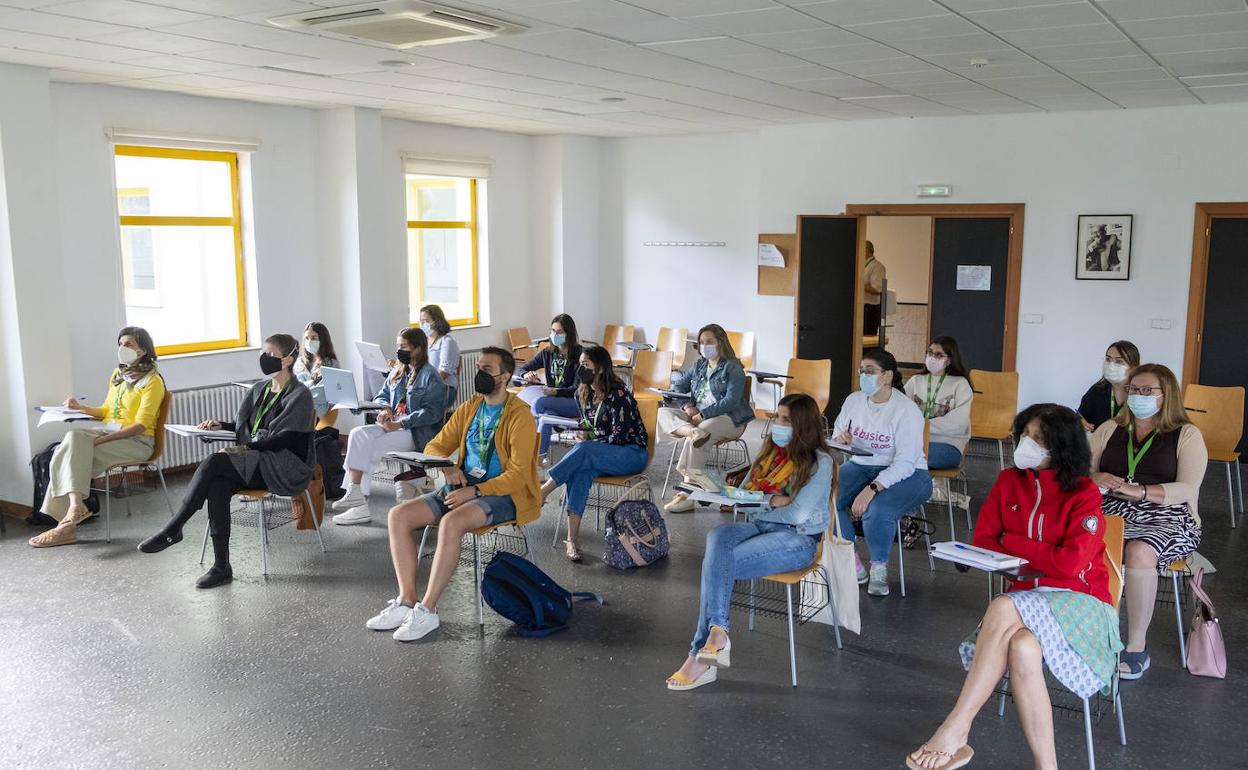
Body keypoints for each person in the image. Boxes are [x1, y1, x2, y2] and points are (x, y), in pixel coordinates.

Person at [908, 404, 1121, 770]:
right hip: (1030, 599)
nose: (1027, 444)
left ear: (1061, 447)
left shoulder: (1084, 493)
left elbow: (1070, 565)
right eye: (1024, 435)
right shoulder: (1009, 481)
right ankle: (1047, 766)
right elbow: (986, 541)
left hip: (1083, 603)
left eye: (1038, 439)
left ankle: (956, 728)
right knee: (1022, 646)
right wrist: (1035, 550)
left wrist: (1014, 541)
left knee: (1004, 605)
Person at [364, 347, 539, 642]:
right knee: (398, 516)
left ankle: (428, 610)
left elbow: (519, 474)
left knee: (451, 523)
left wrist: (476, 490)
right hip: (462, 488)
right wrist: (447, 469)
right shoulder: (470, 407)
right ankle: (407, 600)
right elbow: (434, 446)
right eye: (479, 367)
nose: (480, 374)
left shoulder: (520, 416)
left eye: (488, 369)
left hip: (504, 493)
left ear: (506, 376)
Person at [665, 393, 832, 691]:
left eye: (785, 419)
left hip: (798, 539)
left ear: (803, 426)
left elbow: (798, 513)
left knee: (716, 564)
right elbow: (741, 496)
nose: (776, 424)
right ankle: (718, 634)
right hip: (760, 526)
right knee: (718, 536)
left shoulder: (821, 463)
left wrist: (763, 502)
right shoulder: (769, 453)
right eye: (777, 417)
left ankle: (698, 657)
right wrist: (766, 500)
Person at [137, 334, 314, 589]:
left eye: (270, 355)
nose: (264, 359)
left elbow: (282, 441)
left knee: (215, 463)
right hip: (257, 458)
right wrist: (222, 426)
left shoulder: (300, 395)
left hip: (284, 465)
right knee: (217, 483)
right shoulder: (259, 390)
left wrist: (243, 449)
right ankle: (221, 566)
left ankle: (175, 527)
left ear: (288, 360)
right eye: (262, 354)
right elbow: (251, 428)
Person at [1090, 363, 1206, 680]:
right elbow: (1081, 471)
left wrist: (1140, 491)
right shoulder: (1110, 428)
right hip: (1112, 508)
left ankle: (1136, 647)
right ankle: (1077, 631)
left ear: (1166, 395)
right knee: (1077, 538)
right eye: (1133, 389)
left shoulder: (1186, 434)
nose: (1138, 396)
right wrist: (1095, 476)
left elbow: (1188, 488)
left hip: (1168, 513)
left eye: (1147, 390)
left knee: (1139, 551)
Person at [29, 327, 167, 548]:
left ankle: (65, 525)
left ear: (143, 349)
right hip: (110, 434)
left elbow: (140, 426)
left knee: (71, 450)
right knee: (68, 446)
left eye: (129, 344)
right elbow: (106, 411)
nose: (123, 349)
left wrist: (98, 441)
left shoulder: (153, 382)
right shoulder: (118, 375)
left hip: (138, 442)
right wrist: (79, 407)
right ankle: (73, 511)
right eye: (120, 344)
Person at [832, 349, 932, 597]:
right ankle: (851, 561)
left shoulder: (905, 410)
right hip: (862, 464)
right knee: (827, 498)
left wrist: (873, 488)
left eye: (870, 371)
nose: (863, 376)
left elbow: (906, 463)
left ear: (887, 376)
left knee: (878, 510)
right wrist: (841, 437)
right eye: (861, 370)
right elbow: (837, 432)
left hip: (909, 473)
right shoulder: (854, 400)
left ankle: (878, 568)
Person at [540, 345, 648, 562]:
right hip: (601, 454)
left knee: (584, 450)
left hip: (630, 454)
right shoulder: (584, 392)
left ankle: (544, 490)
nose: (581, 368)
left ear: (599, 368)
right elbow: (589, 424)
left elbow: (618, 437)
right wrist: (579, 431)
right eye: (580, 364)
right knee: (580, 473)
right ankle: (572, 539)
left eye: (586, 364)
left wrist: (590, 439)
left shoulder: (619, 395)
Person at [332, 327, 450, 525]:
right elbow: (382, 394)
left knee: (371, 447)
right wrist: (386, 409)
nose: (399, 350)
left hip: (417, 432)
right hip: (394, 425)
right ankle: (355, 493)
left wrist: (401, 422)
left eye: (403, 346)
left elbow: (432, 413)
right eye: (398, 346)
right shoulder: (398, 371)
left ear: (418, 348)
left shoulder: (431, 376)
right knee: (358, 434)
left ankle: (358, 504)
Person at [660, 324, 754, 513]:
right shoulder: (699, 366)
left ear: (720, 342)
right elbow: (678, 387)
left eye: (709, 341)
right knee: (663, 413)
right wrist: (687, 407)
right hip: (698, 420)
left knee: (700, 436)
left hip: (728, 418)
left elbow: (731, 401)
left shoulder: (733, 367)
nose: (705, 346)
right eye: (702, 342)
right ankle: (693, 432)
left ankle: (687, 493)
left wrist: (702, 414)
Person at [904, 335, 973, 470]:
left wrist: (921, 426)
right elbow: (902, 411)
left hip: (947, 443)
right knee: (896, 454)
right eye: (930, 353)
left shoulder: (960, 384)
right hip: (916, 441)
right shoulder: (915, 380)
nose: (932, 357)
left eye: (938, 355)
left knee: (910, 456)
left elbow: (958, 423)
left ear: (949, 360)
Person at [518, 313, 583, 456]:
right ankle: (539, 460)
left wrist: (555, 392)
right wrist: (525, 374)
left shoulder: (580, 355)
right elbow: (521, 370)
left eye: (559, 332)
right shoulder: (547, 353)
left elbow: (577, 390)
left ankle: (529, 453)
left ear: (569, 334)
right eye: (553, 331)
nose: (554, 334)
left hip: (575, 403)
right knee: (547, 416)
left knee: (539, 403)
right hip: (553, 402)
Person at [1077, 340, 1139, 433]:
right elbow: (1080, 417)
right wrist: (1079, 422)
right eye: (1108, 359)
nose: (1111, 365)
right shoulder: (1097, 391)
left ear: (1133, 367)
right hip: (1100, 445)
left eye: (1119, 361)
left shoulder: (1141, 395)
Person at [294, 321, 340, 418]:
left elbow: (321, 394)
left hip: (317, 412)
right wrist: (310, 385)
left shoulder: (331, 364)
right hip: (298, 409)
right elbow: (291, 388)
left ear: (323, 340)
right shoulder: (299, 363)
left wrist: (299, 392)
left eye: (314, 338)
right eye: (306, 338)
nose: (309, 341)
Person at [419, 304, 460, 405]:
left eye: (426, 321)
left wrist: (423, 386)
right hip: (425, 387)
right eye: (421, 321)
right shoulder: (423, 341)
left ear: (437, 321)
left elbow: (444, 372)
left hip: (444, 389)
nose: (423, 324)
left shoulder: (447, 342)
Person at [863, 240, 886, 337]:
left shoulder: (877, 267)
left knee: (867, 341)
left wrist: (858, 286)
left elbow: (877, 290)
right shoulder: (861, 265)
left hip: (870, 310)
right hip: (861, 309)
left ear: (867, 250)